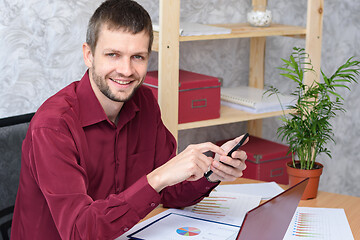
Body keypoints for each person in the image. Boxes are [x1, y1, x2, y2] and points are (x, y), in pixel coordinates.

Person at [11, 0, 248, 239]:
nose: (126, 70)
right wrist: (157, 177)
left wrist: (213, 173)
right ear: (89, 55)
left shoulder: (144, 102)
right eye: (113, 54)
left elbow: (167, 192)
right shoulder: (53, 126)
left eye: (137, 57)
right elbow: (78, 231)